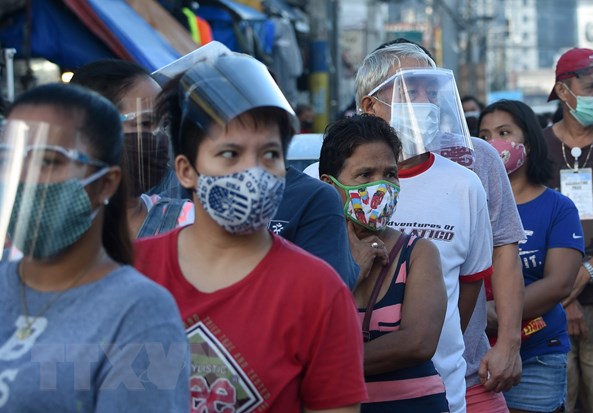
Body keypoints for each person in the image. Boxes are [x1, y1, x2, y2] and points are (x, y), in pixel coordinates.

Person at [133, 43, 367, 412]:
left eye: (270, 154)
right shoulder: (133, 272)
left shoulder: (318, 292)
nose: (253, 171)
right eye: (230, 154)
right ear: (186, 170)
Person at [0, 83, 189, 411]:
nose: (24, 178)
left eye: (49, 161)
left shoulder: (141, 313)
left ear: (106, 183)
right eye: (10, 158)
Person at [354, 42, 495, 413]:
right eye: (410, 90)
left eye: (431, 92)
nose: (425, 102)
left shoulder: (465, 185)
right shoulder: (324, 185)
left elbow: (466, 291)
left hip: (439, 397)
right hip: (341, 397)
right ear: (369, 105)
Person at [319, 114, 449, 411]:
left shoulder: (418, 252)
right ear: (329, 184)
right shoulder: (308, 252)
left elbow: (418, 343)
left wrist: (324, 365)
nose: (381, 188)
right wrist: (352, 275)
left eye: (390, 174)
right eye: (365, 175)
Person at [479, 99, 584, 413]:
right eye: (483, 135)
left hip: (538, 354)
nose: (492, 143)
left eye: (504, 132)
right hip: (475, 357)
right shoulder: (470, 204)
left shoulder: (558, 208)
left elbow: (559, 284)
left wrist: (494, 312)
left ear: (529, 142)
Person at [543, 47, 593, 413]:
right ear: (563, 91)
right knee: (558, 398)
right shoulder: (539, 149)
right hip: (547, 300)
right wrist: (564, 292)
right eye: (591, 87)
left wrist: (587, 272)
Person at [71, 59, 193, 238]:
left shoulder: (187, 222)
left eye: (164, 124)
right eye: (145, 123)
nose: (159, 137)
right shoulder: (45, 232)